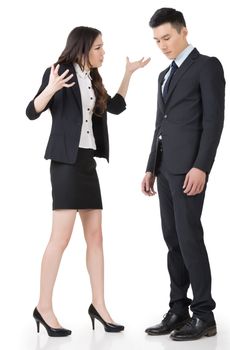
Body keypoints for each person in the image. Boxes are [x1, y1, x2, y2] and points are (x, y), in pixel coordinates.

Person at [26, 26, 150, 337]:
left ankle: (99, 305)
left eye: (103, 47)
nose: (103, 52)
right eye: (98, 47)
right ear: (82, 48)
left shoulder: (93, 79)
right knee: (61, 239)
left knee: (96, 238)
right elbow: (31, 111)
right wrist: (51, 89)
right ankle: (44, 307)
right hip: (65, 163)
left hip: (87, 164)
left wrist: (128, 73)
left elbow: (116, 108)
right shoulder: (59, 72)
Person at [142, 8, 225, 341]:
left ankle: (204, 314)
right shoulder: (163, 75)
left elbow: (213, 122)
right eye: (157, 40)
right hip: (164, 169)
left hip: (190, 170)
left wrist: (202, 166)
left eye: (167, 37)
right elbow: (159, 126)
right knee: (172, 240)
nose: (163, 45)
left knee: (189, 238)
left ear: (183, 31)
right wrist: (151, 166)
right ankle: (179, 309)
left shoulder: (206, 66)